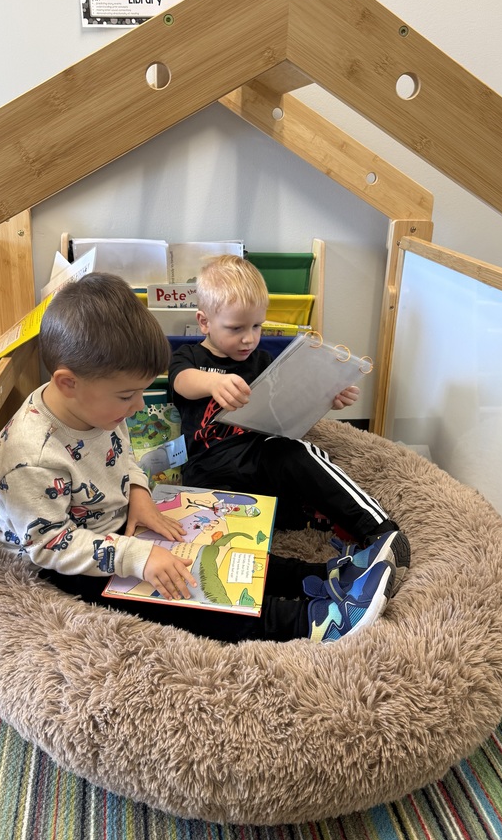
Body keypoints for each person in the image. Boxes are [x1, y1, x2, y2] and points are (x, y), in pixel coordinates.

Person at [0, 272, 399, 644]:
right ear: (67, 383)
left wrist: (138, 492)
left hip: (123, 521)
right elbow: (48, 544)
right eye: (127, 396)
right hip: (71, 563)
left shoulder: (100, 404)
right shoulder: (30, 456)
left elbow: (122, 457)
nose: (136, 409)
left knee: (214, 547)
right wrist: (139, 557)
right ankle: (307, 621)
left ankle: (314, 576)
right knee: (189, 594)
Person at [168, 254, 410, 594]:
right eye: (235, 328)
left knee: (296, 454)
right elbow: (180, 381)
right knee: (224, 553)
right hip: (210, 472)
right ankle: (320, 575)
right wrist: (212, 384)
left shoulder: (263, 361)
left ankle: (378, 530)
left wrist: (327, 398)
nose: (249, 339)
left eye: (256, 326)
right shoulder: (191, 358)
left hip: (262, 462)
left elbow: (286, 410)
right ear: (204, 322)